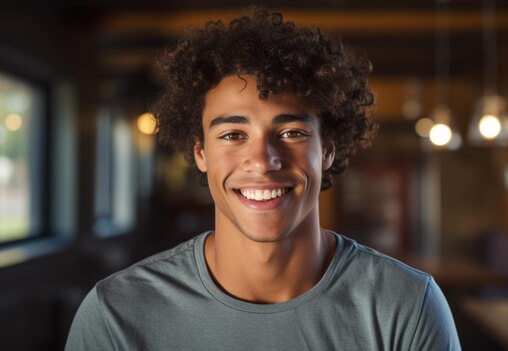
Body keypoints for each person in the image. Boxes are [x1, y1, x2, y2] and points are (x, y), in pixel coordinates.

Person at [66, 8, 460, 350]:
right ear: (200, 152)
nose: (262, 160)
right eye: (233, 135)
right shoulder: (115, 313)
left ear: (327, 150)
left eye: (292, 133)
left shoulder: (409, 306)